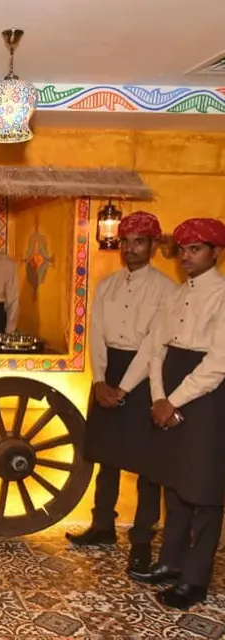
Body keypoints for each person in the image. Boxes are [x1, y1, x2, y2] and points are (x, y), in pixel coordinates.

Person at [65, 211, 176, 574]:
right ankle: (102, 526)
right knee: (106, 456)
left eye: (139, 242)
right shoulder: (106, 285)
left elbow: (153, 346)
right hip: (108, 369)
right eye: (125, 242)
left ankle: (142, 539)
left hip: (146, 376)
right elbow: (95, 333)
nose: (130, 248)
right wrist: (99, 380)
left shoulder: (166, 290)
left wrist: (124, 388)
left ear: (154, 246)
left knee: (146, 463)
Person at [130, 217, 225, 610]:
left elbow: (219, 362)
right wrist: (157, 397)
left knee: (203, 490)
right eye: (182, 250)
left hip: (206, 398)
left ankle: (195, 579)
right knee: (173, 482)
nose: (186, 257)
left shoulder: (222, 295)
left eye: (196, 249)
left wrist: (175, 400)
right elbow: (157, 350)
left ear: (216, 253)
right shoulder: (174, 296)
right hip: (167, 392)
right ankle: (170, 562)